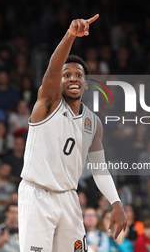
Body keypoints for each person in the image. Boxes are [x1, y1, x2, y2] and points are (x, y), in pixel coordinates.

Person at [18, 14, 126, 252]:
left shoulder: (93, 122)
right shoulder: (48, 104)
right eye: (67, 75)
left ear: (85, 83)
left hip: (68, 197)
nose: (73, 78)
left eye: (78, 75)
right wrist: (70, 36)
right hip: (37, 194)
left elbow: (100, 169)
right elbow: (51, 73)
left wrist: (116, 203)